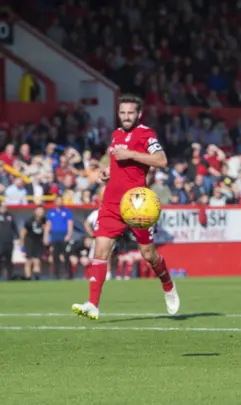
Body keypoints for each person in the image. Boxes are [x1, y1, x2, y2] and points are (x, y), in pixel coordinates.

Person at [71, 94, 180, 320]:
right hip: (111, 202)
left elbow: (161, 160)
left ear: (138, 114)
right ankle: (93, 303)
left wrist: (130, 153)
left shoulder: (146, 134)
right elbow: (119, 164)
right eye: (122, 113)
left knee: (148, 254)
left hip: (137, 204)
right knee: (100, 250)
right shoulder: (116, 135)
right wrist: (108, 173)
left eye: (130, 113)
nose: (126, 116)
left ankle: (167, 284)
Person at [43, 195, 74, 279]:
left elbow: (70, 224)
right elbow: (48, 225)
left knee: (66, 256)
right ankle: (56, 274)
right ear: (55, 202)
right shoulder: (51, 212)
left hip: (64, 235)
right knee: (55, 256)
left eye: (61, 200)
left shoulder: (67, 211)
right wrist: (46, 236)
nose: (59, 202)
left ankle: (69, 274)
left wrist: (69, 235)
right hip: (54, 236)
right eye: (58, 200)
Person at [20, 205, 46, 280]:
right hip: (29, 242)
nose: (41, 212)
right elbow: (23, 232)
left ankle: (37, 277)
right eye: (39, 210)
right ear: (35, 211)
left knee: (37, 260)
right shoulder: (30, 220)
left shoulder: (45, 220)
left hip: (39, 242)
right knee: (29, 260)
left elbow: (47, 231)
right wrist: (21, 243)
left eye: (42, 211)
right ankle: (28, 277)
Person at [0, 202, 18, 280]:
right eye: (3, 206)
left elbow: (14, 228)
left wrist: (17, 237)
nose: (4, 208)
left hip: (8, 241)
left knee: (8, 259)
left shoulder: (10, 216)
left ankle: (9, 277)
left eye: (5, 206)